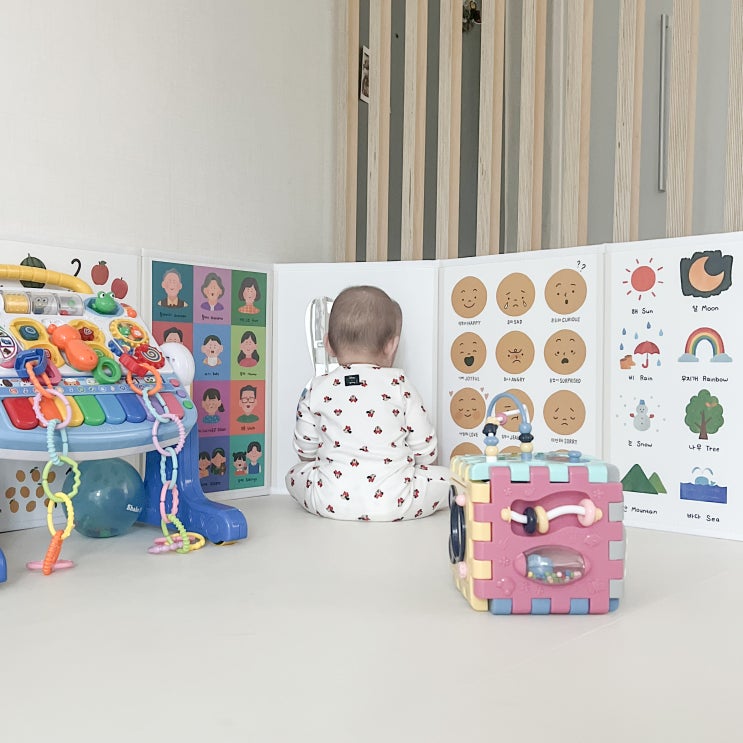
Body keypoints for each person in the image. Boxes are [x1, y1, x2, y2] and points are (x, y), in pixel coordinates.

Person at [285, 285, 449, 521]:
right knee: (450, 479)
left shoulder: (316, 388)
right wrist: (418, 469)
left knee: (294, 474)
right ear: (391, 345)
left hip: (329, 501)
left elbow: (304, 450)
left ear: (328, 344)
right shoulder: (399, 384)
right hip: (396, 502)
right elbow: (426, 451)